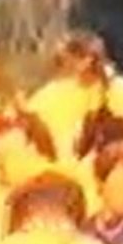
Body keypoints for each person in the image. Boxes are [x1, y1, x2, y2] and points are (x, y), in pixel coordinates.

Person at [27, 34, 107, 162]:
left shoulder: (95, 90)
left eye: (85, 57)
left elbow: (91, 125)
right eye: (80, 56)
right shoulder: (52, 90)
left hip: (73, 151)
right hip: (58, 148)